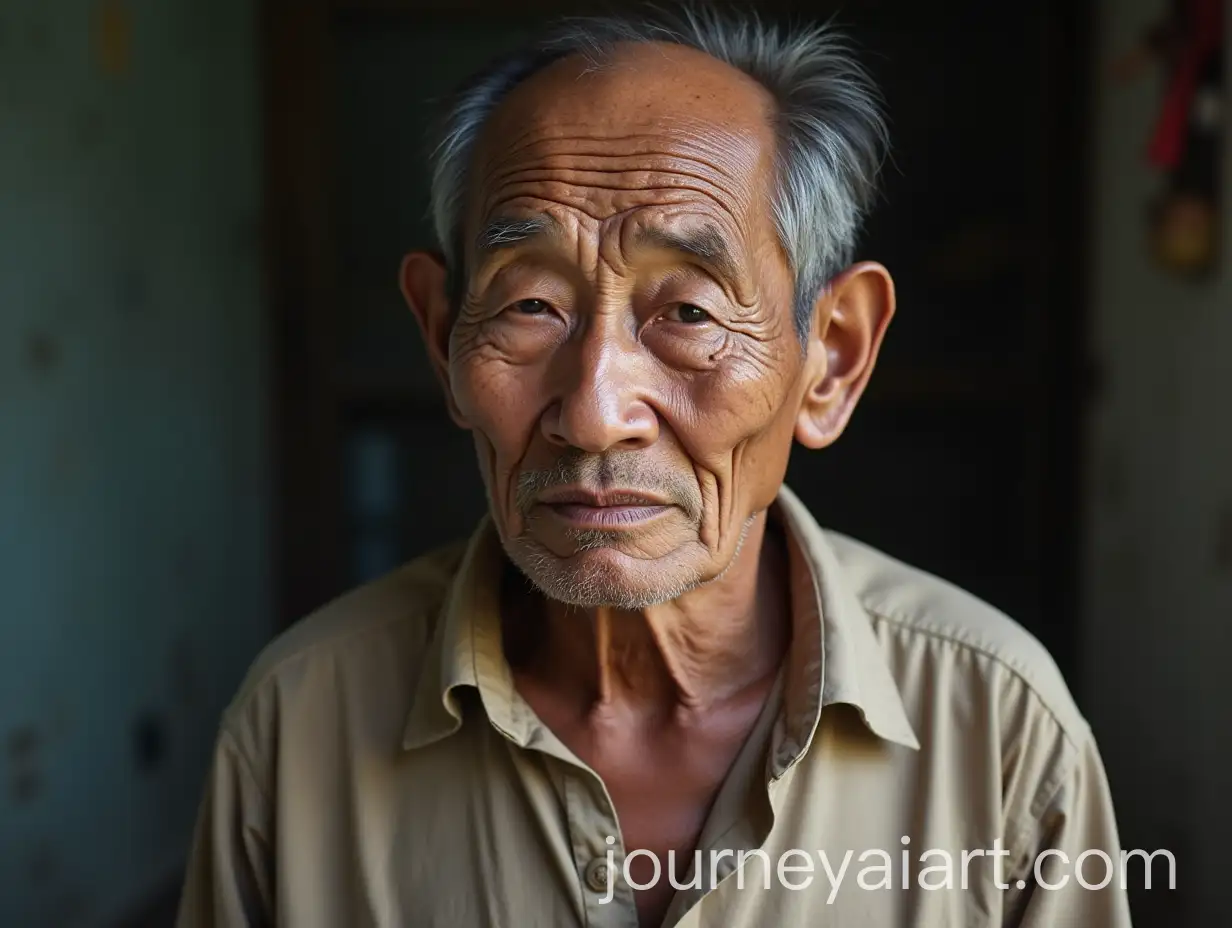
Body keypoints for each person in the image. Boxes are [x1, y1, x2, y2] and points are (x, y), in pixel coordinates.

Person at [176, 7, 1132, 927]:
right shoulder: (297, 726)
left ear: (831, 358)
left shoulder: (1000, 730)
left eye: (689, 314)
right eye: (530, 306)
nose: (595, 415)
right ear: (441, 340)